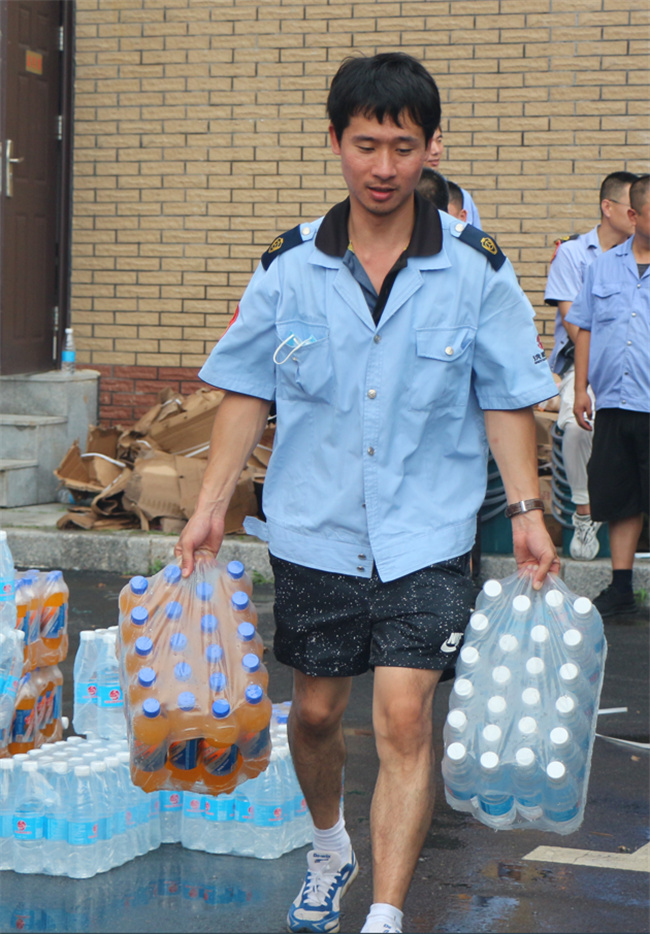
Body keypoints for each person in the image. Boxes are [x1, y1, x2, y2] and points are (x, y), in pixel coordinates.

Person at [176, 52, 559, 934]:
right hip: (315, 528)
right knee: (315, 714)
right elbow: (246, 391)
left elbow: (507, 398)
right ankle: (328, 848)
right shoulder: (289, 266)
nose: (384, 167)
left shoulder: (477, 269)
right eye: (365, 145)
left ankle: (384, 913)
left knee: (404, 713)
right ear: (336, 142)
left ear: (432, 148)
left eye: (403, 147)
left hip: (429, 530)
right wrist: (209, 505)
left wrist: (528, 511)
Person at [544, 171, 638, 560]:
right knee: (575, 426)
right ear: (608, 207)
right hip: (585, 364)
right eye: (632, 206)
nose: (637, 214)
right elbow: (575, 324)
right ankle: (584, 512)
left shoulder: (641, 255)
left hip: (637, 367)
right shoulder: (573, 254)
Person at [568, 174, 649, 617]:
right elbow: (584, 328)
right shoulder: (602, 266)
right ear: (633, 215)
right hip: (615, 402)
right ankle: (621, 589)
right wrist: (580, 388)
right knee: (621, 499)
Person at [426, 124, 481, 226]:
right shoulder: (399, 195)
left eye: (439, 140)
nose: (436, 150)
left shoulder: (460, 196)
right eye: (427, 143)